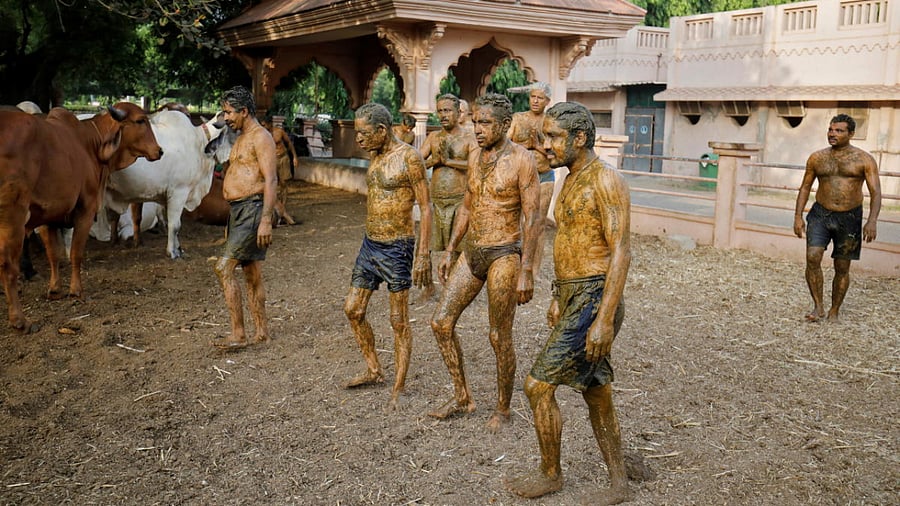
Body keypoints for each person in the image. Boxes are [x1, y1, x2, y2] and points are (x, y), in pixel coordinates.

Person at [504, 102, 632, 503]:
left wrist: (604, 319)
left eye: (554, 137)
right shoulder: (570, 177)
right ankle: (619, 480)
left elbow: (621, 252)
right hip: (575, 294)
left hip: (596, 296)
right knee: (597, 391)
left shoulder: (606, 180)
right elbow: (569, 241)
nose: (545, 147)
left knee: (537, 386)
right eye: (543, 137)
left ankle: (551, 473)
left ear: (580, 138)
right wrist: (559, 295)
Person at [428, 93, 540, 432]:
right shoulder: (476, 157)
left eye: (485, 123)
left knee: (498, 335)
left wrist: (527, 270)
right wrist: (449, 250)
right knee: (441, 323)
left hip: (504, 253)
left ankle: (503, 408)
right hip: (473, 251)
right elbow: (467, 204)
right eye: (475, 121)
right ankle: (463, 397)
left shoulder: (522, 160)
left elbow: (533, 219)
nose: (477, 128)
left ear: (505, 125)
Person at [344, 102, 433, 409]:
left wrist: (423, 254)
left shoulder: (409, 158)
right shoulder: (375, 155)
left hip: (398, 247)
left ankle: (400, 385)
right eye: (357, 133)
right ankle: (373, 369)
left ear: (382, 130)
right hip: (370, 244)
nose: (359, 139)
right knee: (353, 310)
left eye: (364, 133)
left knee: (398, 321)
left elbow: (427, 206)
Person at [793, 114, 881, 322]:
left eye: (839, 131)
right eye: (831, 130)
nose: (833, 134)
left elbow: (876, 192)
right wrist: (798, 216)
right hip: (820, 214)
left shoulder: (864, 159)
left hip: (850, 217)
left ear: (851, 134)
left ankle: (834, 309)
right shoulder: (817, 158)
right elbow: (805, 186)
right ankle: (818, 306)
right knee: (812, 257)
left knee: (842, 267)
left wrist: (872, 220)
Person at [210, 86, 278, 350]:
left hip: (252, 210)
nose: (225, 117)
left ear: (244, 111)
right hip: (239, 211)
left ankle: (238, 334)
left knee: (223, 267)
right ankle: (262, 332)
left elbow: (271, 179)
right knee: (251, 273)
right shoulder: (241, 137)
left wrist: (266, 220)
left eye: (228, 112)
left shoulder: (261, 137)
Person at [418, 94, 477, 300]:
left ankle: (452, 288)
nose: (443, 115)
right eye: (440, 111)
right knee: (427, 245)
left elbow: (475, 167)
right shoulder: (433, 138)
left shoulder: (469, 138)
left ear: (458, 112)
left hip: (459, 202)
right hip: (436, 201)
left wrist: (449, 161)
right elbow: (416, 164)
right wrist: (434, 160)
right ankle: (428, 287)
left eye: (447, 110)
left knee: (457, 248)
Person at [508, 82, 554, 279]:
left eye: (540, 98)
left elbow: (555, 151)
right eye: (533, 97)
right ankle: (514, 265)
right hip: (519, 176)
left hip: (544, 176)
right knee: (515, 221)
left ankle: (534, 269)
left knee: (538, 223)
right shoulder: (518, 119)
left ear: (547, 101)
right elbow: (506, 144)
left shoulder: (551, 122)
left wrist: (537, 145)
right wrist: (523, 145)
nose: (535, 101)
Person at [260, 118, 298, 226]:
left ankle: (283, 207)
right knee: (272, 184)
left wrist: (295, 157)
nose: (263, 127)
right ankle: (278, 210)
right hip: (272, 159)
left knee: (284, 184)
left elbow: (289, 143)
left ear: (269, 124)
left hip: (283, 158)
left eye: (264, 124)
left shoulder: (279, 132)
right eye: (261, 125)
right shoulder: (263, 136)